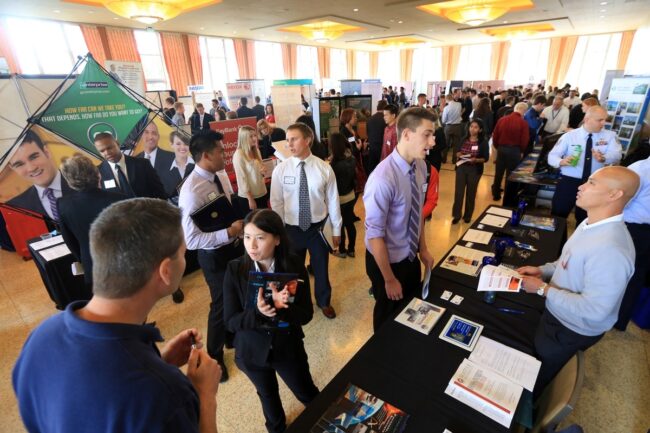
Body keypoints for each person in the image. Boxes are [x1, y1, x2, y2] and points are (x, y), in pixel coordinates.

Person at [13, 198, 222, 433]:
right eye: (183, 254)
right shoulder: (166, 394)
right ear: (165, 271)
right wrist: (205, 396)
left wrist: (159, 363)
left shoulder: (41, 337)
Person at [517, 166, 639, 392]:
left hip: (569, 329)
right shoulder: (589, 223)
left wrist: (544, 290)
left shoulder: (612, 249)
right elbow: (567, 260)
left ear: (615, 194)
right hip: (557, 314)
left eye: (591, 183)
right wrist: (543, 270)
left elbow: (595, 309)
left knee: (536, 381)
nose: (581, 186)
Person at [223, 209, 319, 433]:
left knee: (307, 393)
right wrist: (258, 312)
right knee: (268, 397)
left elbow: (305, 315)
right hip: (251, 352)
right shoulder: (235, 270)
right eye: (247, 237)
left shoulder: (294, 265)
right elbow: (230, 322)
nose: (252, 246)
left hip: (287, 348)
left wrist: (282, 309)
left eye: (260, 237)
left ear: (277, 239)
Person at [178, 130, 245, 381]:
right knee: (219, 305)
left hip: (233, 248)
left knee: (234, 296)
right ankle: (214, 355)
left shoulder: (220, 175)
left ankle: (230, 338)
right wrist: (227, 232)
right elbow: (192, 239)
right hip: (214, 256)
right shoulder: (191, 190)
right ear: (206, 155)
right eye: (219, 151)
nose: (224, 155)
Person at [364, 107, 436, 332]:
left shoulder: (421, 166)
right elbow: (374, 235)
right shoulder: (382, 179)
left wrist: (422, 248)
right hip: (386, 262)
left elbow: (418, 212)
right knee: (386, 317)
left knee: (408, 312)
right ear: (406, 134)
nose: (432, 142)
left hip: (409, 256)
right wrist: (388, 278)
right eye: (427, 134)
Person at [270, 122, 342, 319]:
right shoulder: (281, 170)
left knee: (321, 268)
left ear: (308, 140)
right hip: (291, 230)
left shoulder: (323, 168)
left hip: (317, 229)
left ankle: (324, 301)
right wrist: (278, 231)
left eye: (293, 139)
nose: (289, 144)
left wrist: (336, 230)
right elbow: (276, 203)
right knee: (292, 271)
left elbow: (333, 201)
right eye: (287, 140)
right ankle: (294, 303)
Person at [57, 153, 127, 292]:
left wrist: (83, 260)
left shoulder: (63, 204)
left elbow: (69, 240)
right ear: (97, 173)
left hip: (93, 267)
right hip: (124, 265)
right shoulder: (120, 199)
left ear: (69, 180)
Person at [548, 106, 622, 225]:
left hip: (594, 184)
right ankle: (554, 242)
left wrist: (604, 158)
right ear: (587, 119)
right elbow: (552, 156)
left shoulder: (610, 136)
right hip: (568, 183)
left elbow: (617, 154)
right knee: (558, 215)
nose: (604, 123)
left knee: (585, 218)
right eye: (600, 120)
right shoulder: (569, 136)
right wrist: (561, 161)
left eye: (605, 119)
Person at [6, 129, 73, 223]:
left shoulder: (87, 185)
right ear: (12, 168)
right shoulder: (16, 207)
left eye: (33, 157)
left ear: (46, 152)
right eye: (19, 164)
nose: (31, 168)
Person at [615, 156, 650, 331]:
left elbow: (623, 200)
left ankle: (613, 317)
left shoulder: (640, 168)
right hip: (643, 231)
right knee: (638, 276)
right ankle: (622, 320)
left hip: (635, 229)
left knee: (623, 273)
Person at [94, 133, 167, 199]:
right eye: (102, 151)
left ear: (117, 143)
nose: (107, 153)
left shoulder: (143, 164)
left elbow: (160, 193)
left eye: (109, 148)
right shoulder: (97, 173)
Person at [452, 119, 490, 224]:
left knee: (471, 193)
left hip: (474, 169)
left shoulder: (483, 142)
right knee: (458, 192)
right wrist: (458, 154)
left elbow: (485, 158)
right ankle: (456, 215)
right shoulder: (463, 139)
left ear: (480, 130)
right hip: (461, 167)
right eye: (471, 126)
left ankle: (467, 216)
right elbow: (457, 151)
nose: (472, 129)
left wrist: (476, 160)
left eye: (475, 127)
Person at [491, 102, 529, 201]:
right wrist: (521, 151)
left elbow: (495, 136)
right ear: (524, 111)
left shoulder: (501, 120)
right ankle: (507, 197)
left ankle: (496, 194)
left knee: (498, 173)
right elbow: (525, 140)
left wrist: (498, 147)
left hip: (501, 149)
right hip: (515, 151)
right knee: (510, 175)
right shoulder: (523, 123)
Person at [329, 133, 357, 259]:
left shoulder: (334, 164)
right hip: (351, 195)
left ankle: (342, 250)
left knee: (339, 224)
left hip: (339, 199)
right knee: (349, 223)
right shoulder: (351, 158)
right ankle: (351, 249)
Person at [233, 125, 268, 212]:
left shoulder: (256, 150)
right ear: (243, 138)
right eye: (251, 136)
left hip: (262, 192)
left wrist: (263, 171)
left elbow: (260, 171)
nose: (254, 138)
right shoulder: (239, 155)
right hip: (248, 197)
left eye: (255, 135)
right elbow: (242, 179)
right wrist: (250, 199)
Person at [135, 121, 176, 192]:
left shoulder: (172, 158)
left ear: (158, 137)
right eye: (146, 132)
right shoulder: (134, 161)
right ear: (141, 136)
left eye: (154, 133)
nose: (150, 137)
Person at [159, 131, 195, 200]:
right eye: (178, 144)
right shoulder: (163, 171)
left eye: (186, 144)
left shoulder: (198, 165)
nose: (183, 147)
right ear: (171, 145)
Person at [366, 100, 388, 174]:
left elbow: (368, 133)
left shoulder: (370, 119)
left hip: (372, 146)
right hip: (382, 147)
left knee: (371, 168)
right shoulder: (385, 119)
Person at [441, 93, 463, 164]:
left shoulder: (446, 108)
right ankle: (454, 160)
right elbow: (460, 113)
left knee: (446, 144)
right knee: (456, 145)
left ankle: (444, 160)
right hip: (458, 126)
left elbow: (443, 120)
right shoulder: (459, 104)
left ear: (446, 99)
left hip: (449, 127)